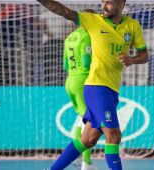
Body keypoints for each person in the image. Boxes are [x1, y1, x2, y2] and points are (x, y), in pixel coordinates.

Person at [37, 0, 148, 169]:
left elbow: (144, 55)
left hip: (111, 89)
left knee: (88, 139)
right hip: (96, 86)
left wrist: (132, 59)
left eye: (109, 3)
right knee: (113, 135)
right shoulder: (94, 20)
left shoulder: (132, 26)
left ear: (122, 3)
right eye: (102, 2)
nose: (104, 6)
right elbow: (64, 11)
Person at [63, 8, 97, 170]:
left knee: (81, 118)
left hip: (70, 80)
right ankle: (87, 163)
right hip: (83, 80)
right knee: (90, 121)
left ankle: (77, 157)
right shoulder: (86, 37)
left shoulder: (69, 37)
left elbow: (64, 65)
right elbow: (86, 63)